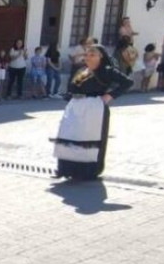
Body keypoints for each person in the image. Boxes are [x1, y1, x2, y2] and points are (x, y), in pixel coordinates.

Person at [53, 45, 133, 181]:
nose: (88, 57)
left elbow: (127, 82)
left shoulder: (107, 71)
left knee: (88, 139)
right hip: (76, 107)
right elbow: (72, 88)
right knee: (71, 136)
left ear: (100, 56)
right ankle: (67, 169)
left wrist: (110, 95)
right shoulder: (83, 71)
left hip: (94, 108)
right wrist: (71, 99)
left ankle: (87, 171)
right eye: (87, 54)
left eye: (92, 55)